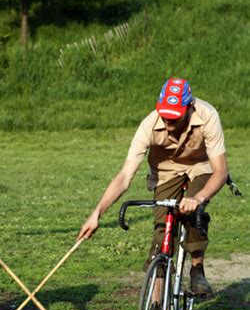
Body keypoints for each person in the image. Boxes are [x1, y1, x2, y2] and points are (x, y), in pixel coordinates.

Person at [78, 78, 228, 295]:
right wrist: (96, 213)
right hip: (166, 172)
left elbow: (220, 171)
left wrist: (198, 198)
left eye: (174, 116)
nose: (168, 121)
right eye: (164, 115)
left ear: (189, 107)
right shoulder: (148, 125)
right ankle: (156, 301)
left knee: (192, 211)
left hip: (202, 167)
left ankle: (197, 268)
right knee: (162, 230)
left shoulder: (207, 115)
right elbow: (124, 177)